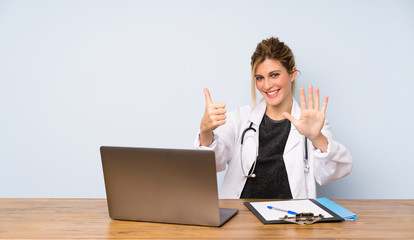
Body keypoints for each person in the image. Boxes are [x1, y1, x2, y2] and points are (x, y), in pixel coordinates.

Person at [194, 37, 352, 199]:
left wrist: (316, 137)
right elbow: (211, 164)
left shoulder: (312, 124)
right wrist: (205, 131)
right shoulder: (239, 119)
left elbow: (335, 171)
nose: (267, 85)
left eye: (274, 75)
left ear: (292, 74)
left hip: (289, 220)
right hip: (242, 219)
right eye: (260, 78)